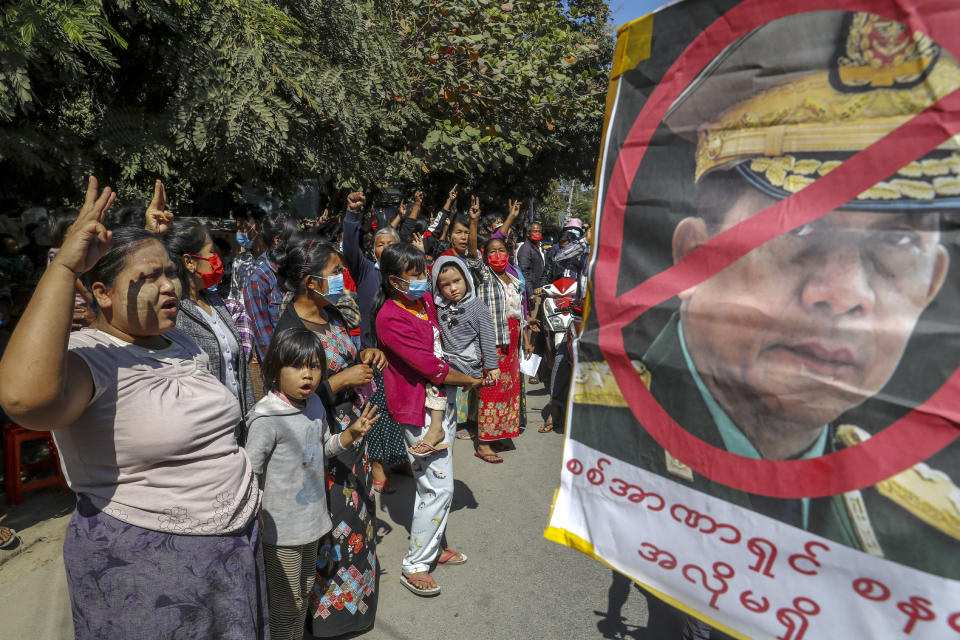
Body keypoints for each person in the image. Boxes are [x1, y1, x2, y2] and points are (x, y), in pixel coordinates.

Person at [571, 10, 960, 636]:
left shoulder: (928, 535)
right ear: (693, 257)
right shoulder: (608, 429)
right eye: (799, 227)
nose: (844, 294)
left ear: (932, 284)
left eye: (895, 245)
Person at [0, 177, 266, 639]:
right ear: (100, 293)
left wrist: (151, 238)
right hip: (148, 567)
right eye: (147, 279)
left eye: (170, 273)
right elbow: (25, 399)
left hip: (231, 550)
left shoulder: (178, 339)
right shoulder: (87, 359)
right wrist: (65, 267)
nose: (168, 287)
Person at [273, 236, 386, 635]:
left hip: (354, 432)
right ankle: (326, 617)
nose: (342, 278)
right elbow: (288, 394)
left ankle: (355, 604)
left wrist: (365, 359)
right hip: (322, 436)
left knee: (358, 518)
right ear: (310, 281)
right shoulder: (289, 325)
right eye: (335, 272)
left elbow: (349, 355)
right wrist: (341, 380)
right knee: (332, 524)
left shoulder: (332, 313)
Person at [245, 326, 378, 640]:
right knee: (285, 602)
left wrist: (351, 434)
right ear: (275, 371)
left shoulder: (315, 406)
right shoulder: (266, 419)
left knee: (304, 591)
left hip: (312, 523)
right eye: (297, 366)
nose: (307, 375)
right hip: (281, 531)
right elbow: (249, 473)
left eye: (314, 366)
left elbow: (325, 448)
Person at [374, 242, 482, 595]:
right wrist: (467, 379)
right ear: (394, 280)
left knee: (436, 484)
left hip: (440, 403)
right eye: (416, 274)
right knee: (438, 486)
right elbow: (430, 366)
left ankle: (431, 549)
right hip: (417, 409)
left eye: (424, 272)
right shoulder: (390, 317)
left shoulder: (423, 304)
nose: (424, 280)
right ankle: (415, 564)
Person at [163, 219, 255, 421]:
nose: (217, 258)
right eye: (211, 252)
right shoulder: (172, 311)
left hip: (237, 422)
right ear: (189, 262)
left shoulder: (216, 303)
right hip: (204, 426)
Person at [410, 256, 499, 456]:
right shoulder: (440, 305)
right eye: (445, 285)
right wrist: (421, 257)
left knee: (437, 380)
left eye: (457, 281)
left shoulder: (477, 307)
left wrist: (492, 366)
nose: (452, 288)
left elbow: (487, 337)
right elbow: (428, 283)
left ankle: (436, 428)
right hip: (448, 358)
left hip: (467, 362)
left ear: (466, 278)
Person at [467, 198, 533, 463]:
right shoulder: (484, 274)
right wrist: (474, 221)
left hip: (513, 341)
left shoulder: (513, 277)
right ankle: (484, 442)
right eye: (492, 251)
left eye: (501, 250)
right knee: (492, 388)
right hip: (493, 340)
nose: (497, 254)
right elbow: (472, 249)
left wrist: (526, 340)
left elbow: (520, 312)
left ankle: (501, 434)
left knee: (509, 390)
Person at [243, 210, 290, 361]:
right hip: (282, 365)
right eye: (295, 235)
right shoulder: (258, 280)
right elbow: (263, 337)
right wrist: (280, 371)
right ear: (278, 239)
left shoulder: (296, 271)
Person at [517, 220, 546, 383]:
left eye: (539, 230)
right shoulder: (526, 249)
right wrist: (530, 294)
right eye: (535, 231)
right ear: (528, 234)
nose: (538, 233)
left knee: (537, 332)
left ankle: (535, 369)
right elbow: (524, 272)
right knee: (533, 334)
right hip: (533, 295)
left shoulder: (536, 247)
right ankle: (531, 371)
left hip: (538, 292)